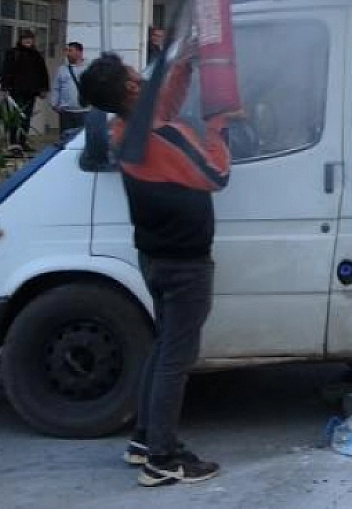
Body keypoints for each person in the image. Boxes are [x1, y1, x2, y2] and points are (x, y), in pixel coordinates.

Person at [79, 50, 231, 486]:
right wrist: (219, 126)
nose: (143, 80)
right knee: (175, 361)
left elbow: (160, 103)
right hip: (185, 265)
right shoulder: (160, 136)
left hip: (156, 258)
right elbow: (216, 175)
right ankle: (162, 458)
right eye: (136, 75)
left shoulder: (124, 130)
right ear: (131, 88)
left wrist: (182, 65)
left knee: (163, 350)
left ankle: (144, 440)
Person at [0, 30, 46, 153]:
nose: (28, 41)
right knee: (15, 118)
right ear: (20, 40)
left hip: (30, 92)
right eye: (25, 39)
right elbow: (6, 70)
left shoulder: (36, 55)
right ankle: (13, 143)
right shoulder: (13, 53)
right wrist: (5, 87)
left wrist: (43, 89)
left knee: (26, 118)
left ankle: (22, 142)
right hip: (15, 91)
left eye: (30, 39)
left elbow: (42, 73)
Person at [50, 42, 90, 135]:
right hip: (66, 112)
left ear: (79, 52)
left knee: (81, 138)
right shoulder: (62, 69)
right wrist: (54, 104)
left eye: (70, 50)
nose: (67, 53)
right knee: (66, 137)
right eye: (66, 50)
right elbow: (56, 87)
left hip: (84, 111)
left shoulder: (88, 68)